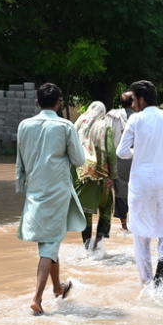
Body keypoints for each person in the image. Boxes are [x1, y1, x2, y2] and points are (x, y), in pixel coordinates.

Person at [16, 83, 86, 316]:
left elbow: (20, 161)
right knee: (49, 243)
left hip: (34, 189)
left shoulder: (24, 125)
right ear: (59, 103)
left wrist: (21, 187)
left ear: (37, 103)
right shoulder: (65, 125)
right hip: (57, 191)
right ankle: (36, 298)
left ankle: (58, 288)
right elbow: (78, 160)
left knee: (48, 240)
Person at [117, 80, 163, 287]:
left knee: (141, 233)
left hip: (141, 182)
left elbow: (121, 152)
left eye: (133, 99)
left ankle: (147, 283)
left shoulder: (136, 120)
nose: (131, 104)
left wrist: (141, 152)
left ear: (141, 99)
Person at [74, 101, 118, 251]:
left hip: (81, 175)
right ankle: (98, 245)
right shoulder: (104, 126)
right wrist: (113, 175)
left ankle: (87, 245)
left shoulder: (77, 125)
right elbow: (111, 153)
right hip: (102, 176)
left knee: (85, 211)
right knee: (106, 208)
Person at [105, 92, 134, 231]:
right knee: (139, 190)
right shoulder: (142, 117)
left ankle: (124, 225)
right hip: (140, 159)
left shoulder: (112, 116)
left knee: (121, 190)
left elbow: (106, 137)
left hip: (119, 159)